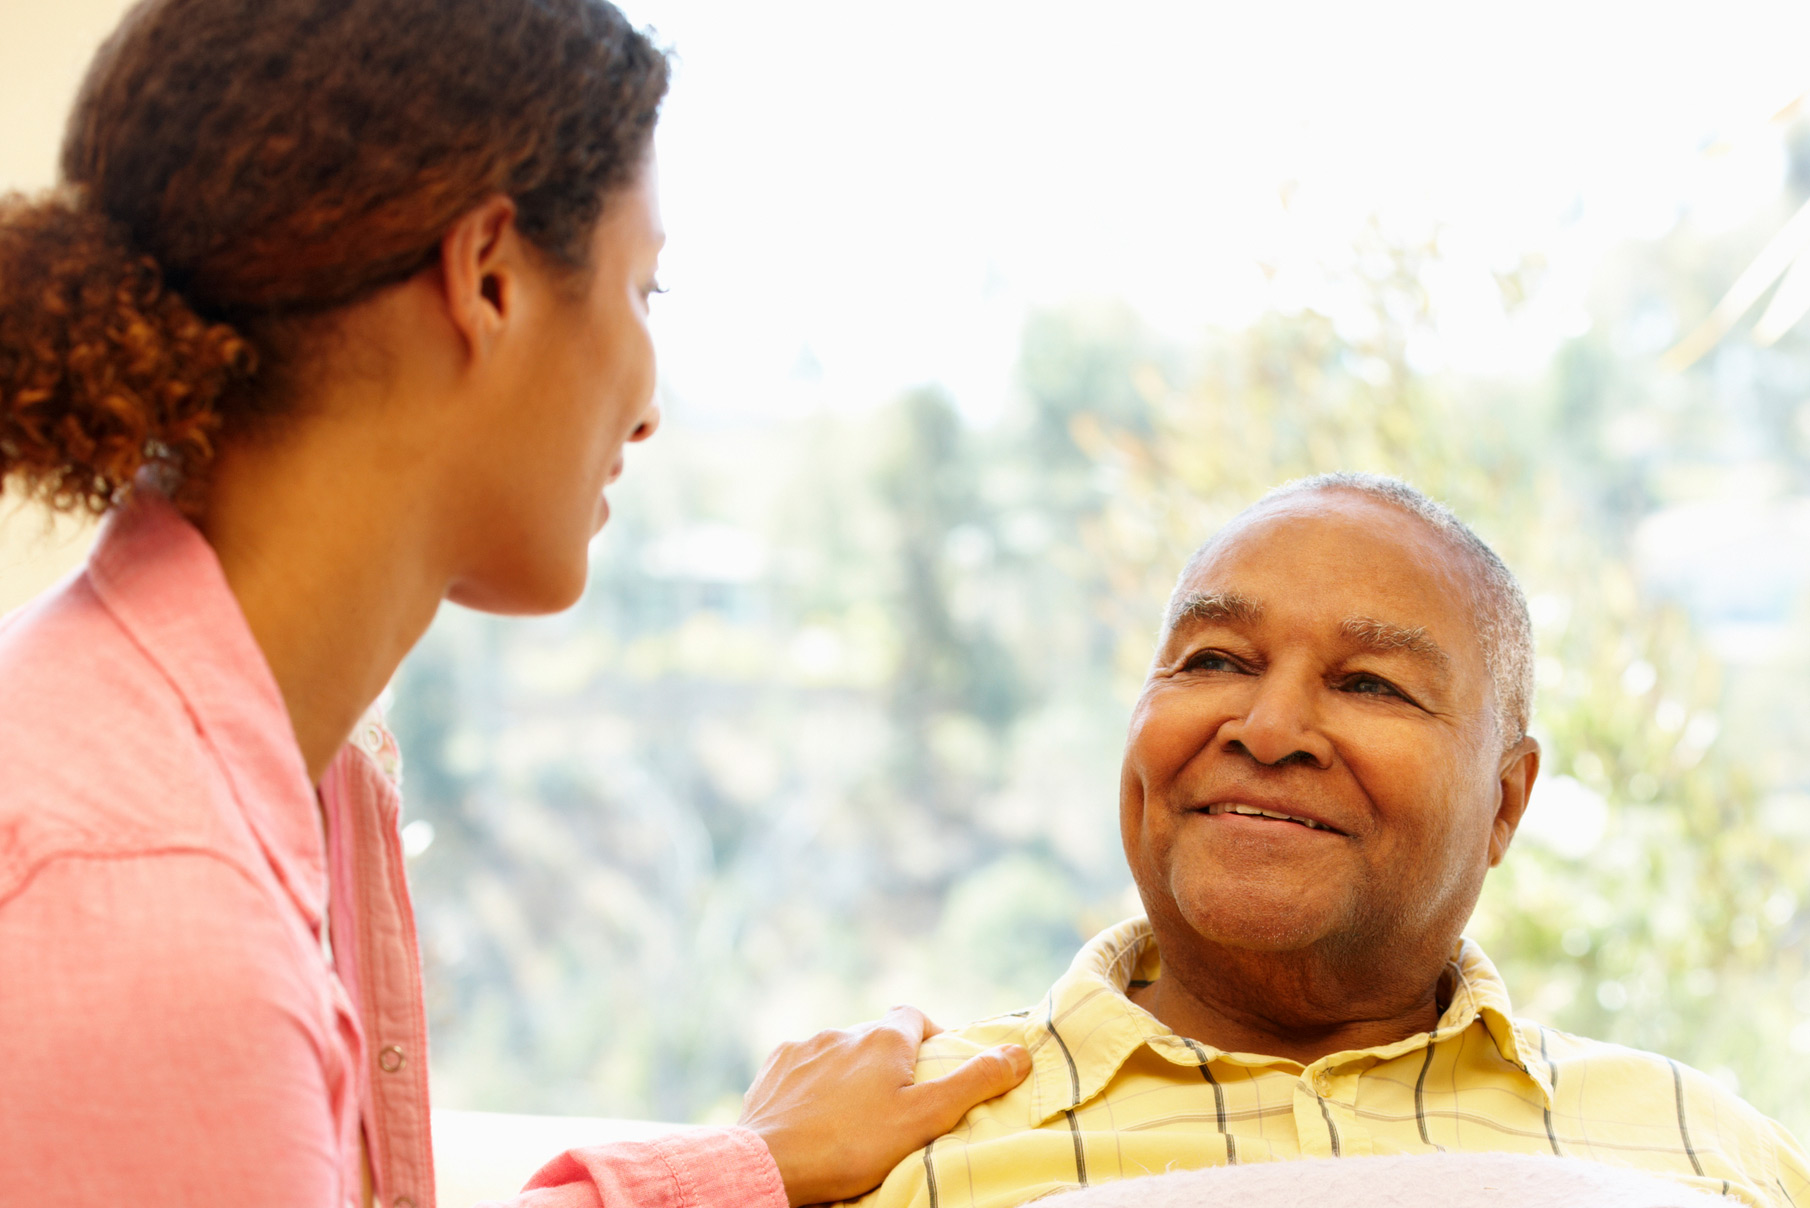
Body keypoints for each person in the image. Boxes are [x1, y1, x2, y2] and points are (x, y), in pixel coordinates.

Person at [0, 2, 1029, 1206]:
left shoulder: (284, 763)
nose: (649, 405)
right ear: (488, 277)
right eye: (645, 289)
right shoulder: (148, 913)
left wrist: (745, 1167)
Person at [839, 474, 1810, 1208]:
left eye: (1369, 683)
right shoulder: (875, 1141)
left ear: (1505, 802)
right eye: (1214, 659)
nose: (1267, 729)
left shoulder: (1710, 1155)